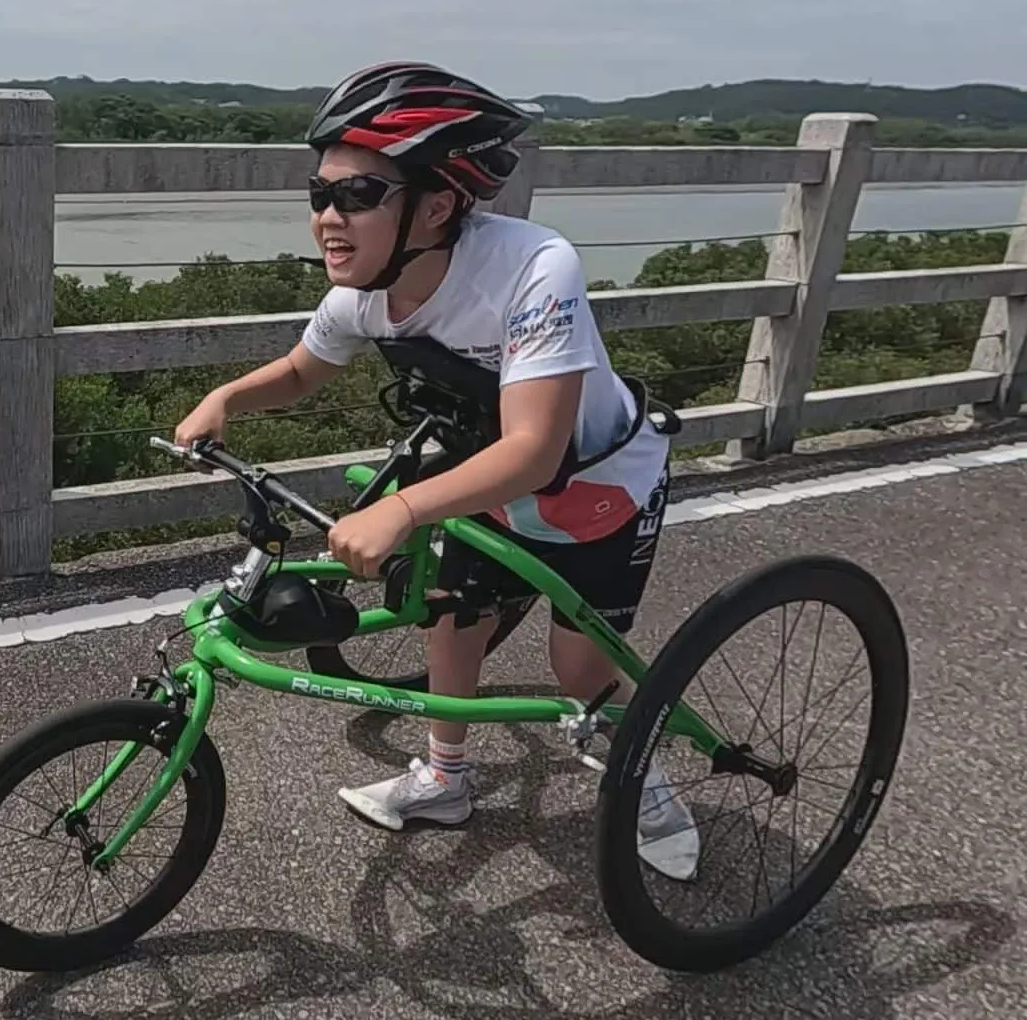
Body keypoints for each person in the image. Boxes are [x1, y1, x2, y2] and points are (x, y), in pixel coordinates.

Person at [172, 60, 697, 878]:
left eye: (357, 195)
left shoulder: (532, 267)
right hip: (481, 477)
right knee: (450, 619)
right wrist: (227, 398)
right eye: (320, 194)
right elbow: (305, 370)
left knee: (581, 670)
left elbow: (536, 451)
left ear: (439, 204)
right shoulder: (363, 289)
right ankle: (446, 779)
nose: (328, 218)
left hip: (594, 489)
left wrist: (402, 509)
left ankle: (648, 785)